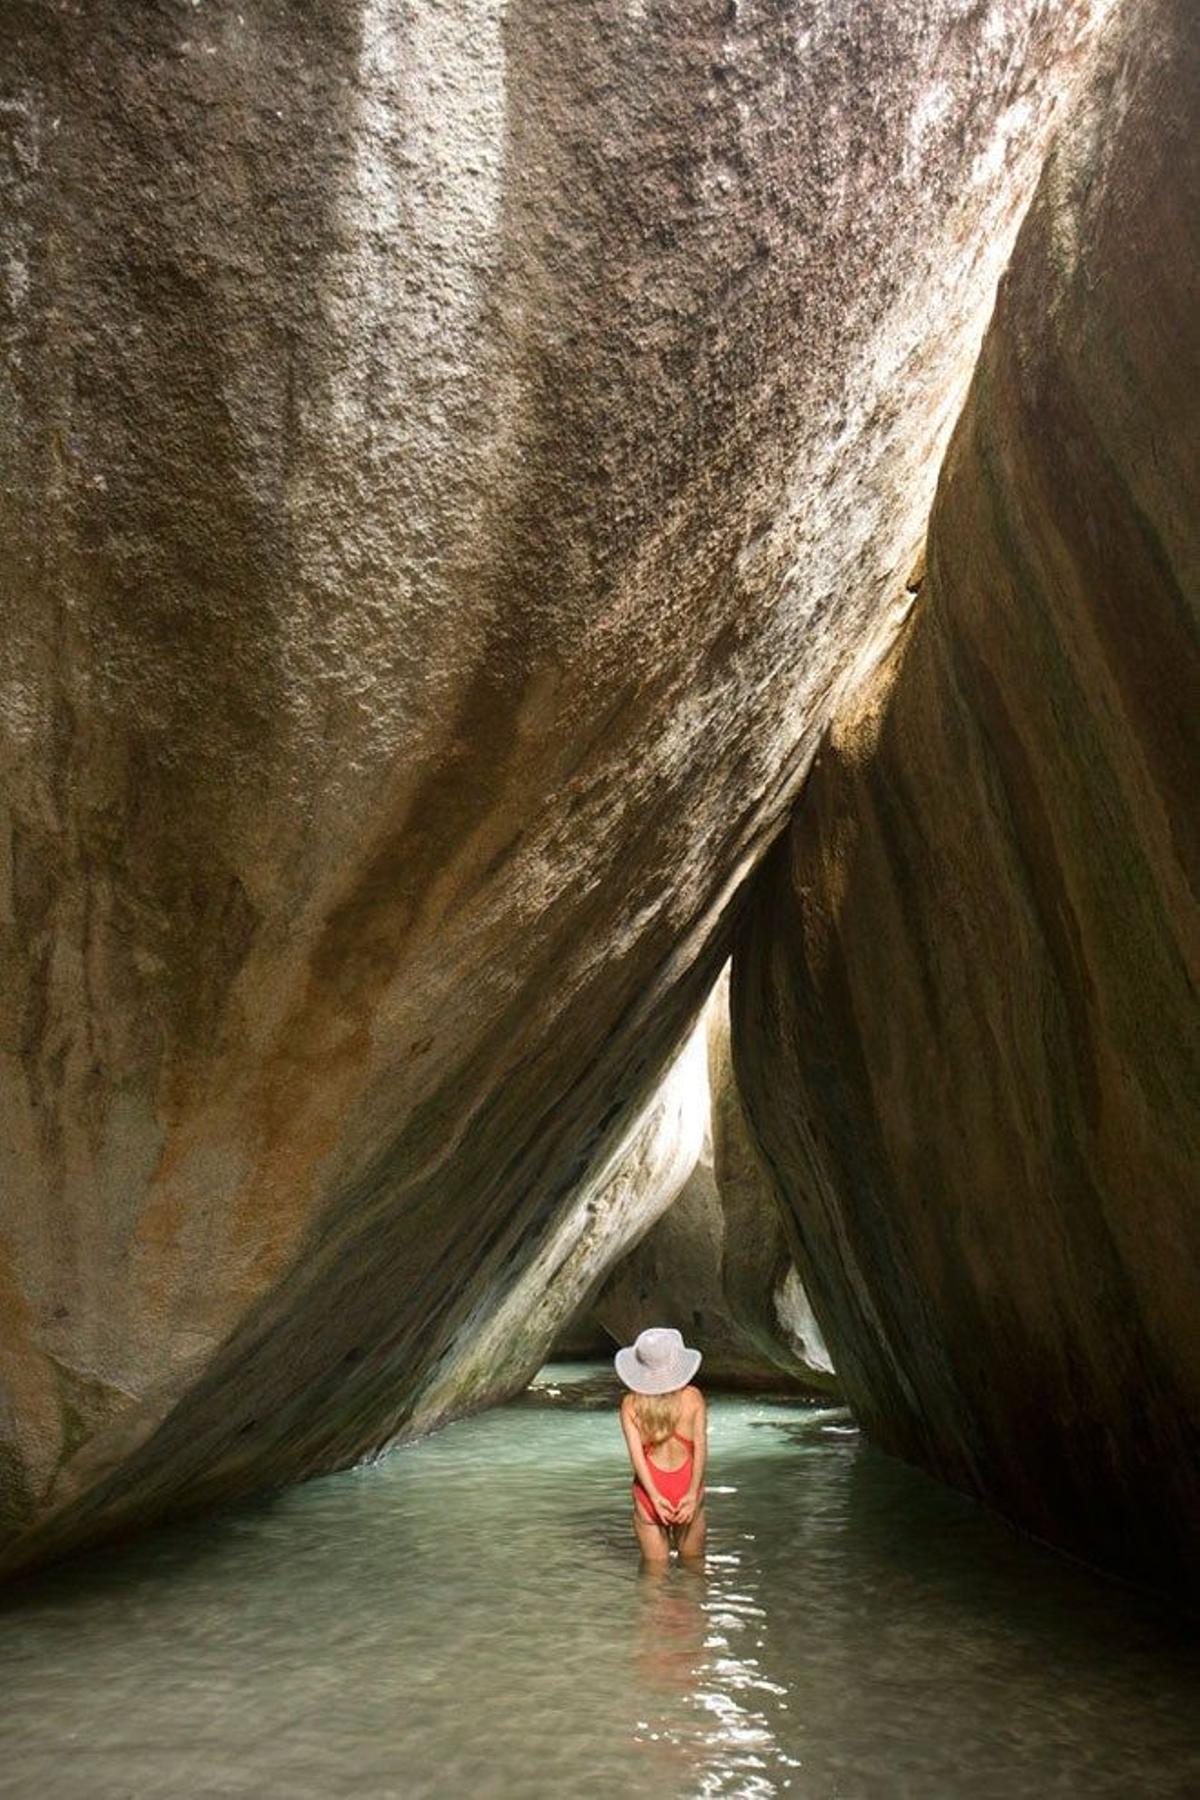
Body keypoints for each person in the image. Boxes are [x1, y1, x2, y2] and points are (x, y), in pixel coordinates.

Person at [614, 1326, 707, 1565]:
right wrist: (691, 1495)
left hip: (650, 1491)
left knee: (653, 1578)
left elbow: (636, 1457)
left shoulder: (630, 1404)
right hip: (687, 1487)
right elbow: (700, 1449)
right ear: (675, 1361)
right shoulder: (693, 1397)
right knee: (694, 1572)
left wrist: (654, 1498)